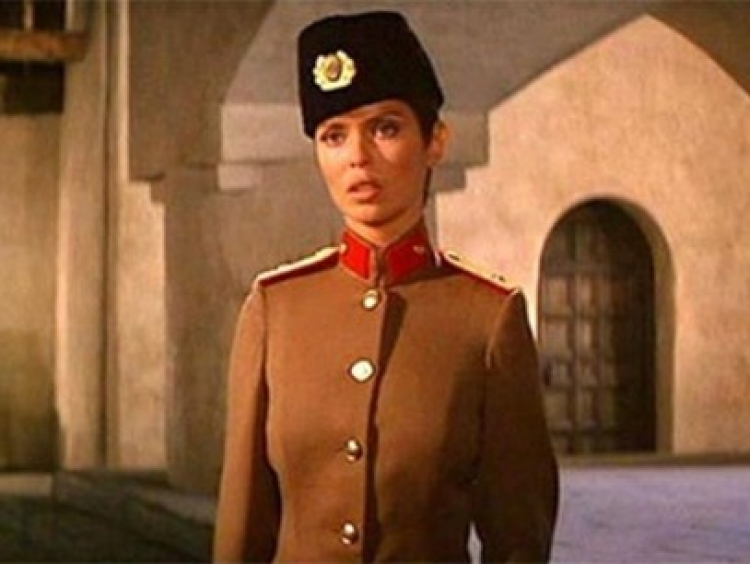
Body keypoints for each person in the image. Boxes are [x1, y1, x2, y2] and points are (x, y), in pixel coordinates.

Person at [213, 10, 558, 563]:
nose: (358, 157)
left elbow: (519, 539)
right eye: (334, 135)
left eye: (386, 128)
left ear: (435, 141)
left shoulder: (487, 318)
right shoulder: (275, 309)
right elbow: (242, 528)